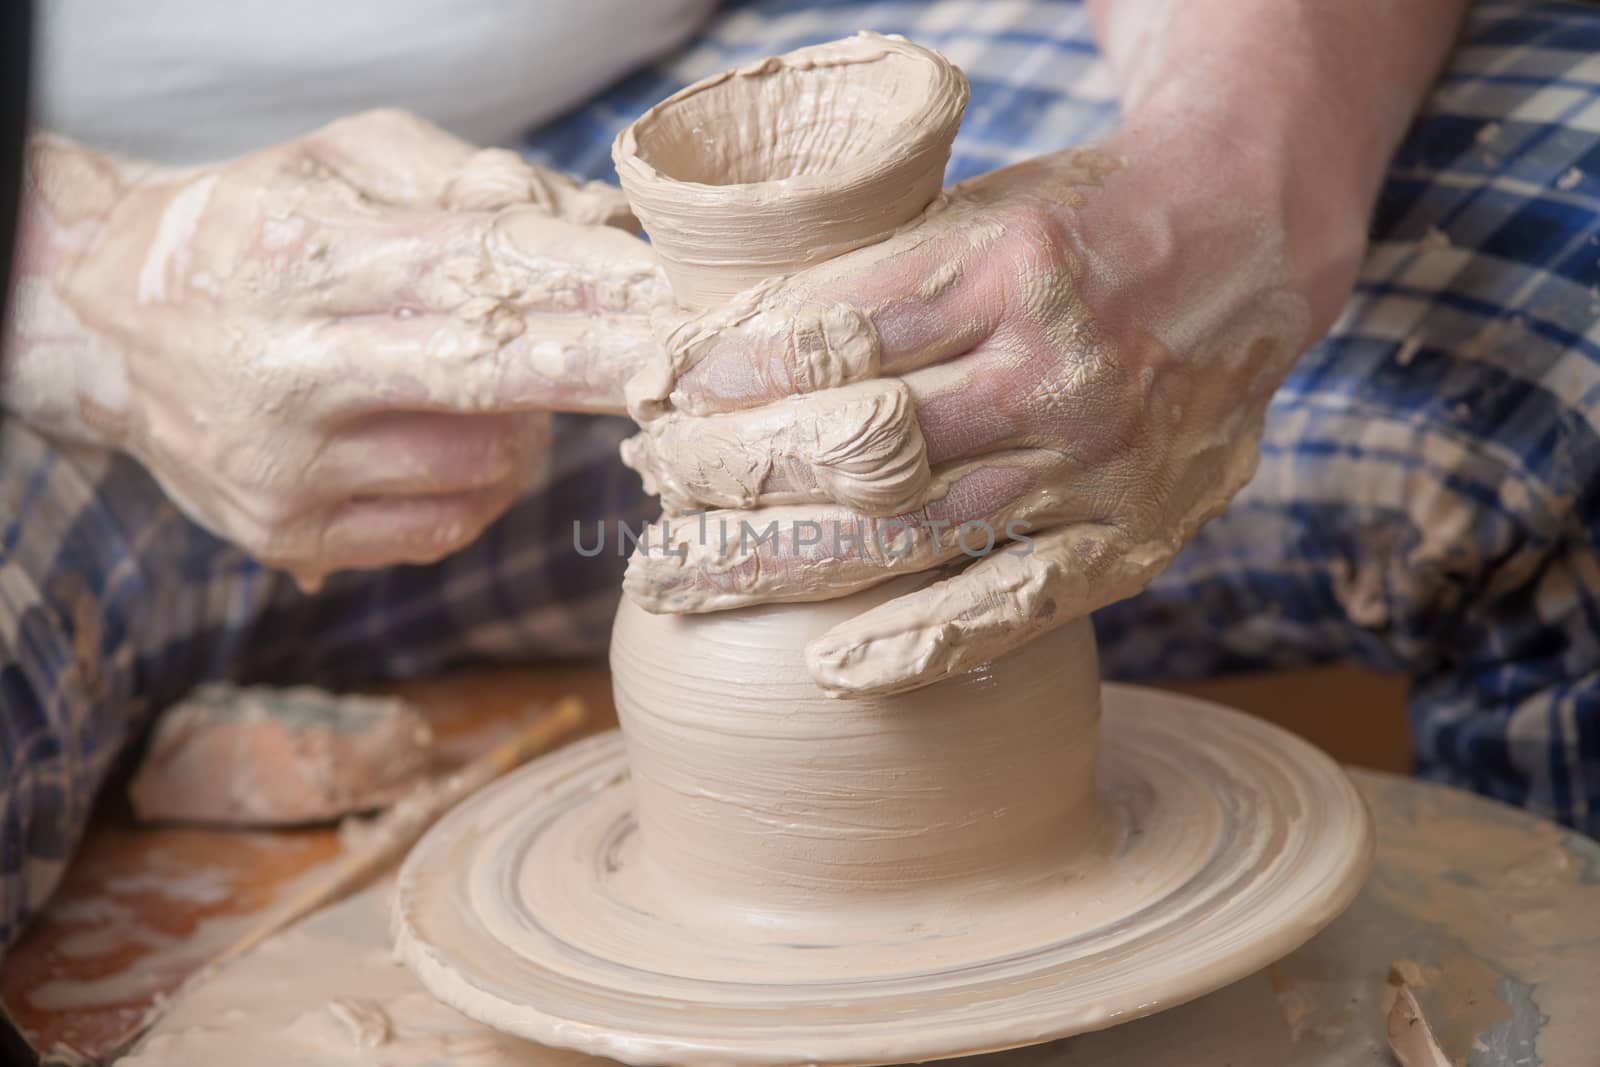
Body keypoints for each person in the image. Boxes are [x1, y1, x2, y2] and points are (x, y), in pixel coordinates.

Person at [3, 0, 1598, 966]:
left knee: (1561, 341)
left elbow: (1255, 167)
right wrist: (80, 279)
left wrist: (1248, 182)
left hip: (704, 68)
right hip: (79, 211)